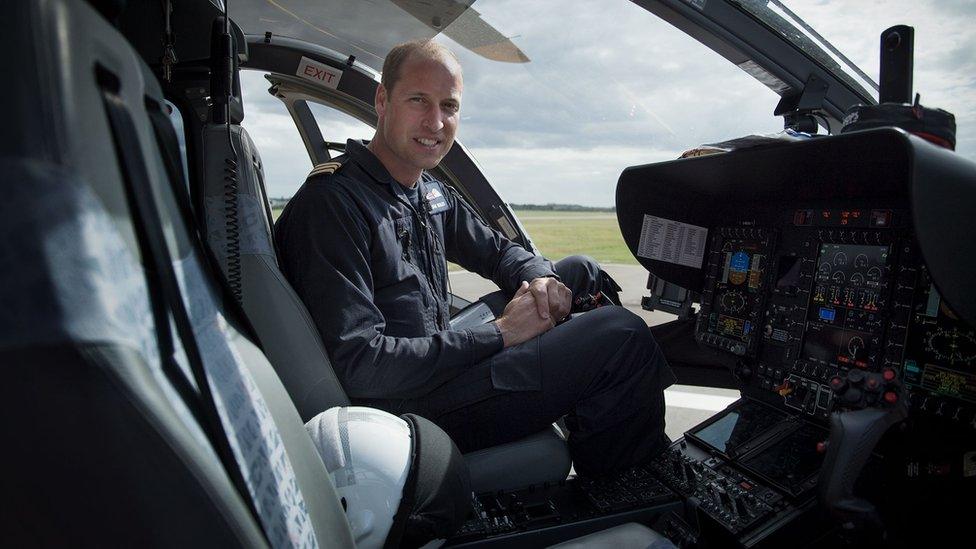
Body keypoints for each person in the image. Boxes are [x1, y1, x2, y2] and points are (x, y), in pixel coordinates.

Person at [275, 40, 675, 477]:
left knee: (578, 272)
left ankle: (601, 415)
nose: (436, 122)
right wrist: (502, 335)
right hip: (405, 410)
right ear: (383, 101)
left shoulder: (426, 192)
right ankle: (630, 488)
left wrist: (539, 279)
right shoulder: (334, 205)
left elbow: (500, 251)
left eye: (449, 105)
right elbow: (362, 367)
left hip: (437, 365)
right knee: (620, 333)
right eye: (418, 101)